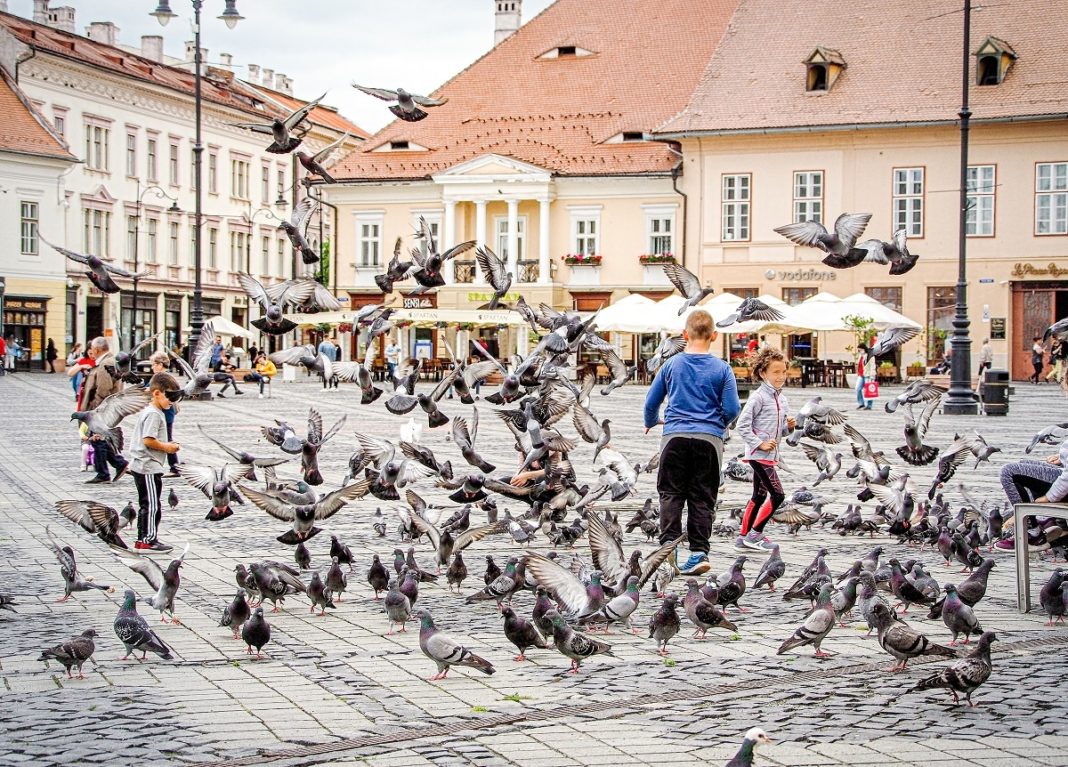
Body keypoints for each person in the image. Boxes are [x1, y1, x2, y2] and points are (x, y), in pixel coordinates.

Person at [644, 309, 741, 576]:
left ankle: (669, 547)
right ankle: (698, 552)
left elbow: (651, 402)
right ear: (715, 336)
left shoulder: (671, 365)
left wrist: (651, 421)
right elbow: (733, 409)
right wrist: (717, 424)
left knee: (671, 492)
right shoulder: (723, 369)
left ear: (685, 335)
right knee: (702, 495)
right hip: (708, 440)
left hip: (674, 437)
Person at [735, 346, 795, 552]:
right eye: (776, 372)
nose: (781, 376)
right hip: (758, 455)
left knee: (759, 496)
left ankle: (743, 537)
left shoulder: (782, 399)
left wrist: (789, 427)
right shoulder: (758, 397)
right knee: (778, 495)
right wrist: (759, 443)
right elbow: (741, 425)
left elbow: (781, 433)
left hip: (770, 456)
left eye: (784, 371)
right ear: (763, 373)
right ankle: (755, 534)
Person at [129, 372, 181, 552]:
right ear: (157, 393)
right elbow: (148, 440)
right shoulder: (154, 414)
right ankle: (148, 539)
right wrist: (167, 447)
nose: (172, 402)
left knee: (148, 503)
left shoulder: (153, 411)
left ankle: (142, 538)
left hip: (143, 465)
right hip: (147, 465)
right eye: (170, 397)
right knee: (152, 505)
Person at [79, 337, 130, 484]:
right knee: (101, 439)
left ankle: (103, 473)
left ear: (96, 349)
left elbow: (103, 390)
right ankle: (119, 464)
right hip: (108, 409)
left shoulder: (105, 364)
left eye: (92, 349)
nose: (91, 352)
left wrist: (95, 411)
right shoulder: (109, 361)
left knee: (98, 440)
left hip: (101, 410)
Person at [149, 352, 181, 476]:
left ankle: (175, 467)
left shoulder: (162, 378)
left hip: (166, 414)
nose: (152, 367)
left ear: (160, 365)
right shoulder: (165, 377)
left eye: (154, 364)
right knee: (162, 438)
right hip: (166, 413)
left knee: (166, 439)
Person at [855, 343, 874, 410]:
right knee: (857, 388)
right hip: (861, 375)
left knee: (868, 390)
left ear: (863, 349)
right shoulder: (860, 356)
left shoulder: (870, 356)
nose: (859, 351)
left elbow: (872, 366)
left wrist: (872, 375)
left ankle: (869, 405)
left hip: (868, 375)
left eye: (860, 350)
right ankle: (861, 403)